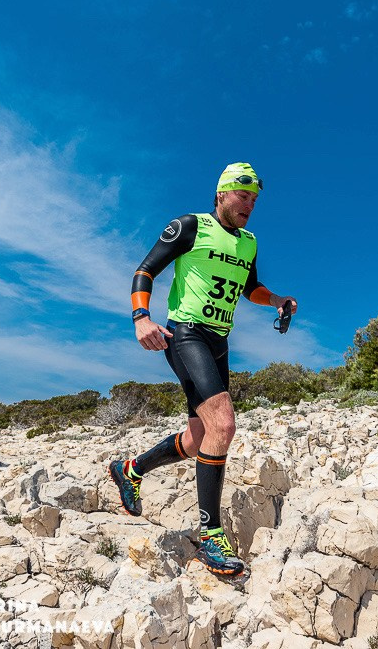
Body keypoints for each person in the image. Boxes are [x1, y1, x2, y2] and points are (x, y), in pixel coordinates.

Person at [109, 162, 297, 576]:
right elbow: (145, 270)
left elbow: (250, 287)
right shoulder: (191, 226)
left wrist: (277, 299)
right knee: (224, 426)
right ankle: (210, 538)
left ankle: (130, 470)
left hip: (219, 342)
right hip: (186, 334)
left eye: (254, 199)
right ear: (221, 195)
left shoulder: (248, 242)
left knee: (199, 438)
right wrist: (141, 318)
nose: (248, 205)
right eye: (242, 196)